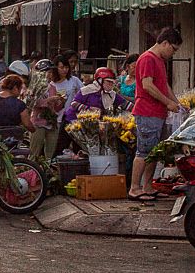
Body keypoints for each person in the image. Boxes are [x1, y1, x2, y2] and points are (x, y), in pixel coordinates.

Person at [129, 28, 183, 201]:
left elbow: (164, 85)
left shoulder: (159, 60)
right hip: (147, 112)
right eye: (173, 49)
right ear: (165, 42)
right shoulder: (147, 58)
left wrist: (177, 103)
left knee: (154, 152)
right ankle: (134, 188)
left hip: (158, 113)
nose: (173, 53)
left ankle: (148, 186)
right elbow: (148, 85)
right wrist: (168, 103)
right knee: (143, 151)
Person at [65, 67, 131, 122]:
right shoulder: (87, 90)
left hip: (90, 124)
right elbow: (74, 103)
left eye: (112, 82)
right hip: (72, 120)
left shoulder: (111, 93)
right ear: (100, 80)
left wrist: (139, 110)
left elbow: (126, 104)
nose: (111, 84)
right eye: (108, 81)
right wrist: (89, 108)